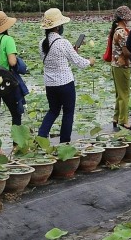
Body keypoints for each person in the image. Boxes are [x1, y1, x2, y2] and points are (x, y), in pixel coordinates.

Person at [38, 8, 94, 143]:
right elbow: (79, 62)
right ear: (58, 27)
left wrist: (72, 51)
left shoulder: (41, 43)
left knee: (53, 111)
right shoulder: (63, 43)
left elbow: (55, 58)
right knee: (68, 113)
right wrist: (90, 62)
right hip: (65, 84)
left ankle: (40, 137)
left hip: (50, 84)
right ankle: (64, 142)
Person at [0, 11, 22, 155]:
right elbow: (12, 62)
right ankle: (15, 145)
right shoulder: (8, 40)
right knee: (16, 113)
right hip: (5, 81)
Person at [109, 6, 131, 130]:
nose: (130, 20)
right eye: (129, 18)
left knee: (119, 94)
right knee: (125, 94)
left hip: (115, 65)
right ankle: (123, 120)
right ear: (124, 18)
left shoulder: (117, 30)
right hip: (122, 65)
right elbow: (126, 53)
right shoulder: (122, 32)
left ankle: (116, 118)